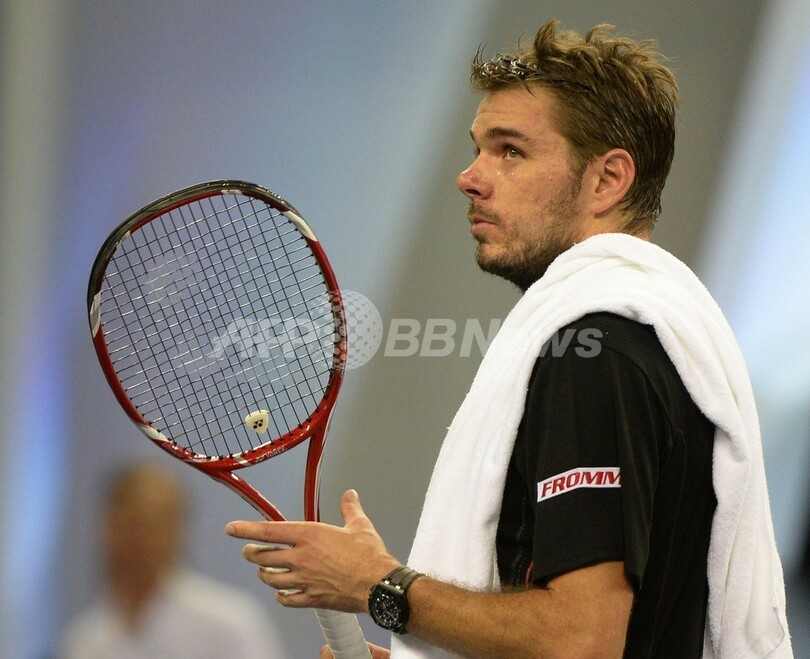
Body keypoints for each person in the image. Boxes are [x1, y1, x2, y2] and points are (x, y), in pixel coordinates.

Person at [225, 20, 793, 658]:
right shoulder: (652, 337)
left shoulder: (594, 352)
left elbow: (584, 640)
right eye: (478, 148)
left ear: (607, 180)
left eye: (511, 151)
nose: (470, 177)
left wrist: (377, 586)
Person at [60, 460, 287, 659]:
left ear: (180, 532)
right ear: (106, 527)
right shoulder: (85, 642)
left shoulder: (232, 625)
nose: (140, 539)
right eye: (132, 522)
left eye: (154, 524)